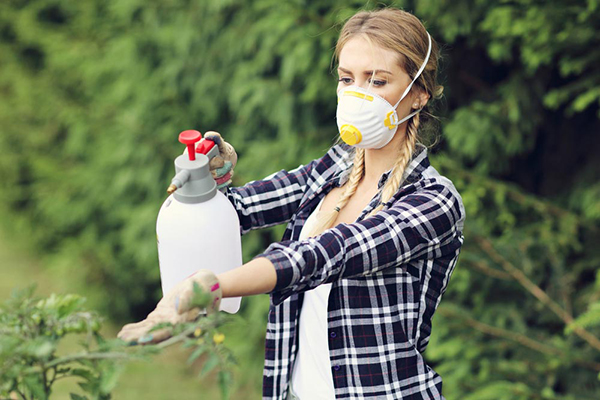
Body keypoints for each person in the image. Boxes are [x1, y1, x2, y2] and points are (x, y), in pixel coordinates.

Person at [118, 7, 465, 400]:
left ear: (418, 94)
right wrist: (206, 180)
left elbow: (324, 255)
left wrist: (211, 286)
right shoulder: (333, 169)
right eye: (347, 79)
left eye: (378, 81)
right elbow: (239, 210)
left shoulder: (433, 202)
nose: (357, 95)